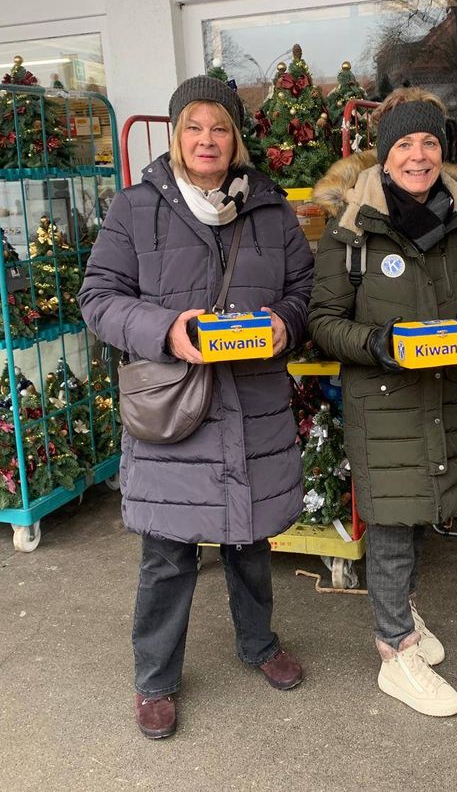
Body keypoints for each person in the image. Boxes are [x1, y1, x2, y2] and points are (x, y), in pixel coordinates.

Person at [78, 76, 314, 739]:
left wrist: (285, 325)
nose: (206, 140)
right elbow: (98, 298)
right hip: (176, 408)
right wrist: (165, 331)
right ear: (176, 136)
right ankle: (154, 679)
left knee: (250, 540)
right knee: (167, 554)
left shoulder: (269, 209)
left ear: (235, 139)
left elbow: (303, 290)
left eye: (219, 128)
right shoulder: (137, 208)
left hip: (253, 400)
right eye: (193, 127)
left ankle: (258, 644)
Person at [308, 88, 457, 717]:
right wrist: (384, 344)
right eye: (406, 144)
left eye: (430, 143)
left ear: (443, 150)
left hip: (440, 393)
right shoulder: (351, 232)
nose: (419, 156)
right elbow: (323, 322)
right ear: (384, 157)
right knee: (390, 521)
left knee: (420, 513)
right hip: (382, 396)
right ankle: (394, 651)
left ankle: (401, 613)